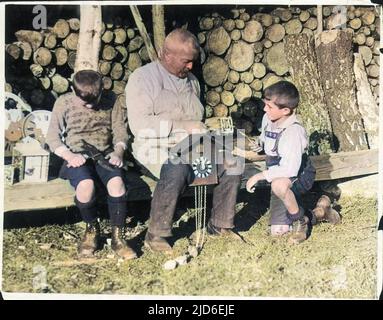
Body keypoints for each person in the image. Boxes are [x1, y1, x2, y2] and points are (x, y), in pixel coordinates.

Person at [125, 29, 242, 254]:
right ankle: (156, 234)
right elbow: (139, 126)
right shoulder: (142, 78)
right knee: (176, 168)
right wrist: (181, 126)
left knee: (232, 163)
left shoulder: (192, 81)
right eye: (186, 61)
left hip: (193, 145)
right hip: (155, 146)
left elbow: (196, 119)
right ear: (166, 55)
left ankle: (220, 225)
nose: (190, 67)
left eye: (193, 62)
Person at [46, 69, 137, 259]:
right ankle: (91, 229)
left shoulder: (112, 100)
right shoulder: (63, 102)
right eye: (84, 101)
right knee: (86, 186)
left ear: (101, 92)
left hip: (105, 155)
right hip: (78, 156)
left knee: (117, 185)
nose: (89, 105)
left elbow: (120, 132)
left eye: (93, 101)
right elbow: (52, 138)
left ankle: (118, 238)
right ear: (73, 89)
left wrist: (119, 152)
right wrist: (69, 156)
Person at [246, 81, 315, 244]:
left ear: (285, 110)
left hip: (298, 174)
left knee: (278, 186)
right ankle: (319, 210)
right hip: (277, 172)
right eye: (265, 105)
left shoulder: (293, 131)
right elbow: (266, 140)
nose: (264, 109)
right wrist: (259, 144)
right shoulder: (268, 119)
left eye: (269, 107)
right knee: (278, 231)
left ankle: (301, 221)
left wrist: (259, 176)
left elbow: (290, 169)